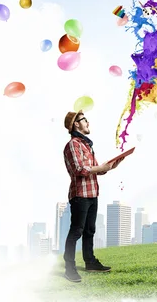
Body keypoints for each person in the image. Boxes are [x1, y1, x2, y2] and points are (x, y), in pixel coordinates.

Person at [62, 110, 125, 283]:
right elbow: (79, 169)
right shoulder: (73, 144)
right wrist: (100, 167)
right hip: (80, 194)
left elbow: (96, 170)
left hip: (92, 193)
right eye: (85, 120)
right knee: (76, 231)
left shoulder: (86, 145)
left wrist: (111, 166)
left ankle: (90, 262)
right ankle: (69, 268)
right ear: (76, 124)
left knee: (90, 230)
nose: (88, 123)